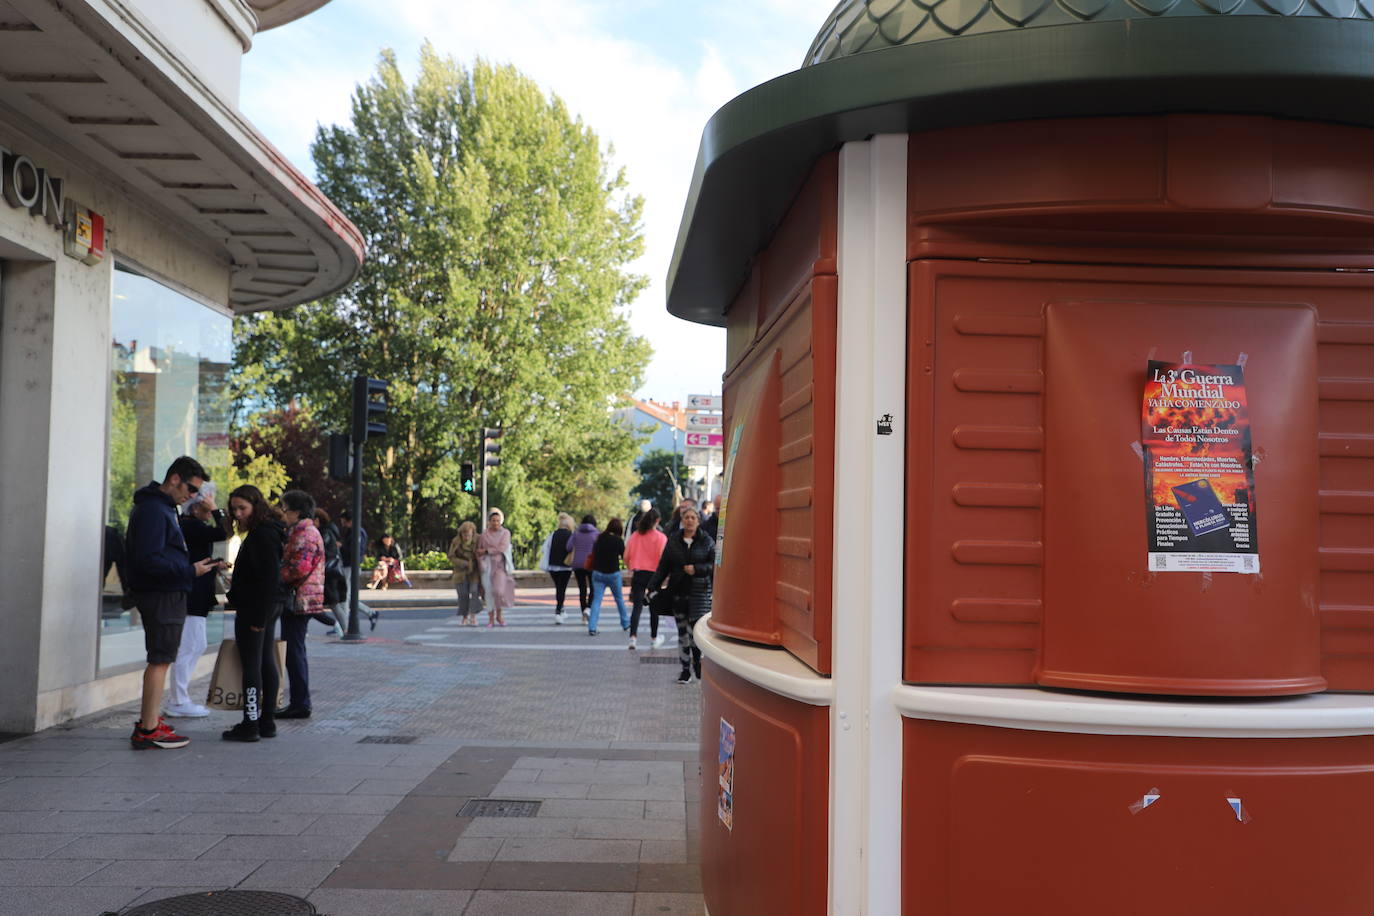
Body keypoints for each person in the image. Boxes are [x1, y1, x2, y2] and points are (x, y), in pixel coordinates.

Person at [124, 456, 220, 750]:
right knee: (161, 659)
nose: (193, 497)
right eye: (192, 489)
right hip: (161, 594)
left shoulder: (161, 508)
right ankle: (148, 728)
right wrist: (190, 570)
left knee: (163, 658)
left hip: (166, 591)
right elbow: (148, 560)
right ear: (175, 479)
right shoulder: (154, 510)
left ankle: (150, 721)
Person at [222, 485, 286, 742]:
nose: (238, 514)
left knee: (252, 664)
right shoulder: (269, 531)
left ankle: (251, 723)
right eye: (234, 509)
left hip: (256, 608)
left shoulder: (262, 534)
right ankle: (265, 721)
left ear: (256, 507)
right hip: (264, 605)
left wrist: (258, 617)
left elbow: (268, 577)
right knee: (265, 661)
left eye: (242, 508)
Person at [166, 484, 230, 718]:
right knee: (189, 646)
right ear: (196, 510)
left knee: (197, 644)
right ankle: (178, 699)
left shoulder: (193, 526)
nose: (210, 513)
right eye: (206, 508)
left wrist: (215, 563)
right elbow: (224, 531)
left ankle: (180, 697)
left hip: (197, 593)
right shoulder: (191, 525)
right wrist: (215, 509)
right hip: (193, 594)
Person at [648, 506, 714, 684]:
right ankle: (685, 670)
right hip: (678, 595)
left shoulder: (707, 541)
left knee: (697, 636)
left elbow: (715, 566)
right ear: (682, 520)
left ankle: (698, 667)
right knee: (683, 634)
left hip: (700, 595)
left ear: (698, 521)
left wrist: (697, 569)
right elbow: (663, 567)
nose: (690, 520)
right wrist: (652, 586)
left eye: (693, 517)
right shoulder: (673, 542)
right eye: (686, 517)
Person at [276, 489, 324, 719]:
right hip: (303, 598)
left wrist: (276, 575)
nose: (283, 514)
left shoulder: (304, 533)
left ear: (295, 511)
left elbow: (299, 568)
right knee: (295, 650)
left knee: (294, 651)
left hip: (299, 599)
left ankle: (300, 703)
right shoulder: (303, 531)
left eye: (284, 509)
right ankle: (299, 701)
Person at [625, 508, 668, 650]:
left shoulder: (635, 536)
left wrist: (630, 567)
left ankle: (633, 638)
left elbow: (626, 555)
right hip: (654, 575)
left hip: (638, 573)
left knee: (637, 607)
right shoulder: (661, 537)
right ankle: (654, 638)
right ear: (657, 521)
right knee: (654, 607)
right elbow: (664, 558)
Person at [587, 517, 628, 637]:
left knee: (596, 600)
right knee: (619, 599)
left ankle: (592, 627)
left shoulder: (599, 538)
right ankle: (625, 623)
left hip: (598, 573)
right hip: (613, 574)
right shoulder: (618, 540)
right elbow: (624, 556)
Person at [337, 510, 376, 630]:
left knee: (345, 596)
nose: (343, 524)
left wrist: (341, 546)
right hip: (350, 565)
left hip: (351, 566)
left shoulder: (357, 532)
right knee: (346, 596)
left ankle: (344, 624)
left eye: (344, 521)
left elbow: (355, 550)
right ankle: (369, 613)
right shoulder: (353, 531)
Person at [477, 508, 516, 627]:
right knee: (488, 592)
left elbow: (502, 548)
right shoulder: (484, 535)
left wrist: (487, 550)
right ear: (489, 521)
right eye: (493, 520)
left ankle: (499, 614)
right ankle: (491, 618)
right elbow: (478, 551)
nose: (495, 523)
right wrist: (481, 560)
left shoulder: (505, 533)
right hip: (487, 565)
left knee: (498, 591)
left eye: (498, 521)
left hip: (500, 566)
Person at [537, 513, 576, 624]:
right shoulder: (571, 535)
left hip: (553, 565)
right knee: (561, 589)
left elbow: (545, 548)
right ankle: (558, 611)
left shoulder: (553, 534)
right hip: (566, 566)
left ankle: (561, 609)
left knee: (558, 588)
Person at [313, 508, 345, 637]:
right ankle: (342, 627)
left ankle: (344, 628)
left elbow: (322, 551)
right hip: (329, 571)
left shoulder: (325, 532)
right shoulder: (327, 531)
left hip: (329, 572)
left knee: (333, 603)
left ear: (317, 520)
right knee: (332, 603)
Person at [448, 521, 481, 626]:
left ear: (473, 533)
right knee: (463, 594)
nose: (466, 537)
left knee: (474, 591)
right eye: (464, 534)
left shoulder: (478, 540)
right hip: (460, 571)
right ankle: (464, 616)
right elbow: (451, 556)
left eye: (469, 534)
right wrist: (463, 563)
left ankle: (473, 616)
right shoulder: (456, 541)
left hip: (474, 570)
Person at [568, 514, 600, 624]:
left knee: (582, 589)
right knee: (593, 588)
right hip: (591, 564)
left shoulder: (576, 533)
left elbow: (568, 547)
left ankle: (583, 615)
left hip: (578, 564)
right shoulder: (596, 534)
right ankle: (589, 609)